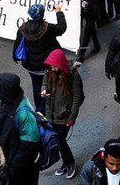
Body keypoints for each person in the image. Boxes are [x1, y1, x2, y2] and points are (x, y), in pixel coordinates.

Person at [12, 3, 67, 114]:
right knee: (50, 86)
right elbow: (62, 28)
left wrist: (15, 57)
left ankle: (40, 109)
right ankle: (48, 109)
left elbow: (17, 44)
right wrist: (59, 12)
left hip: (31, 66)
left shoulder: (23, 28)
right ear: (42, 14)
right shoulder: (48, 28)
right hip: (47, 66)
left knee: (36, 86)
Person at [42, 49, 85, 179]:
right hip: (51, 114)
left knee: (60, 140)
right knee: (58, 141)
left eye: (55, 66)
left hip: (64, 116)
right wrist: (44, 90)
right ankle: (66, 163)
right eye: (51, 66)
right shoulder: (49, 70)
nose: (53, 69)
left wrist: (71, 118)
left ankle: (69, 162)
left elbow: (77, 98)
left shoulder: (73, 76)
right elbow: (45, 83)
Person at [0, 73, 41, 184]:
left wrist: (11, 171)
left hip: (22, 171)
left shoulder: (24, 114)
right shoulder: (10, 103)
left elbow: (29, 148)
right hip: (10, 163)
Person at [77, 0, 104, 64]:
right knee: (91, 29)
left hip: (92, 11)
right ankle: (96, 45)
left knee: (87, 33)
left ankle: (81, 55)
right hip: (84, 7)